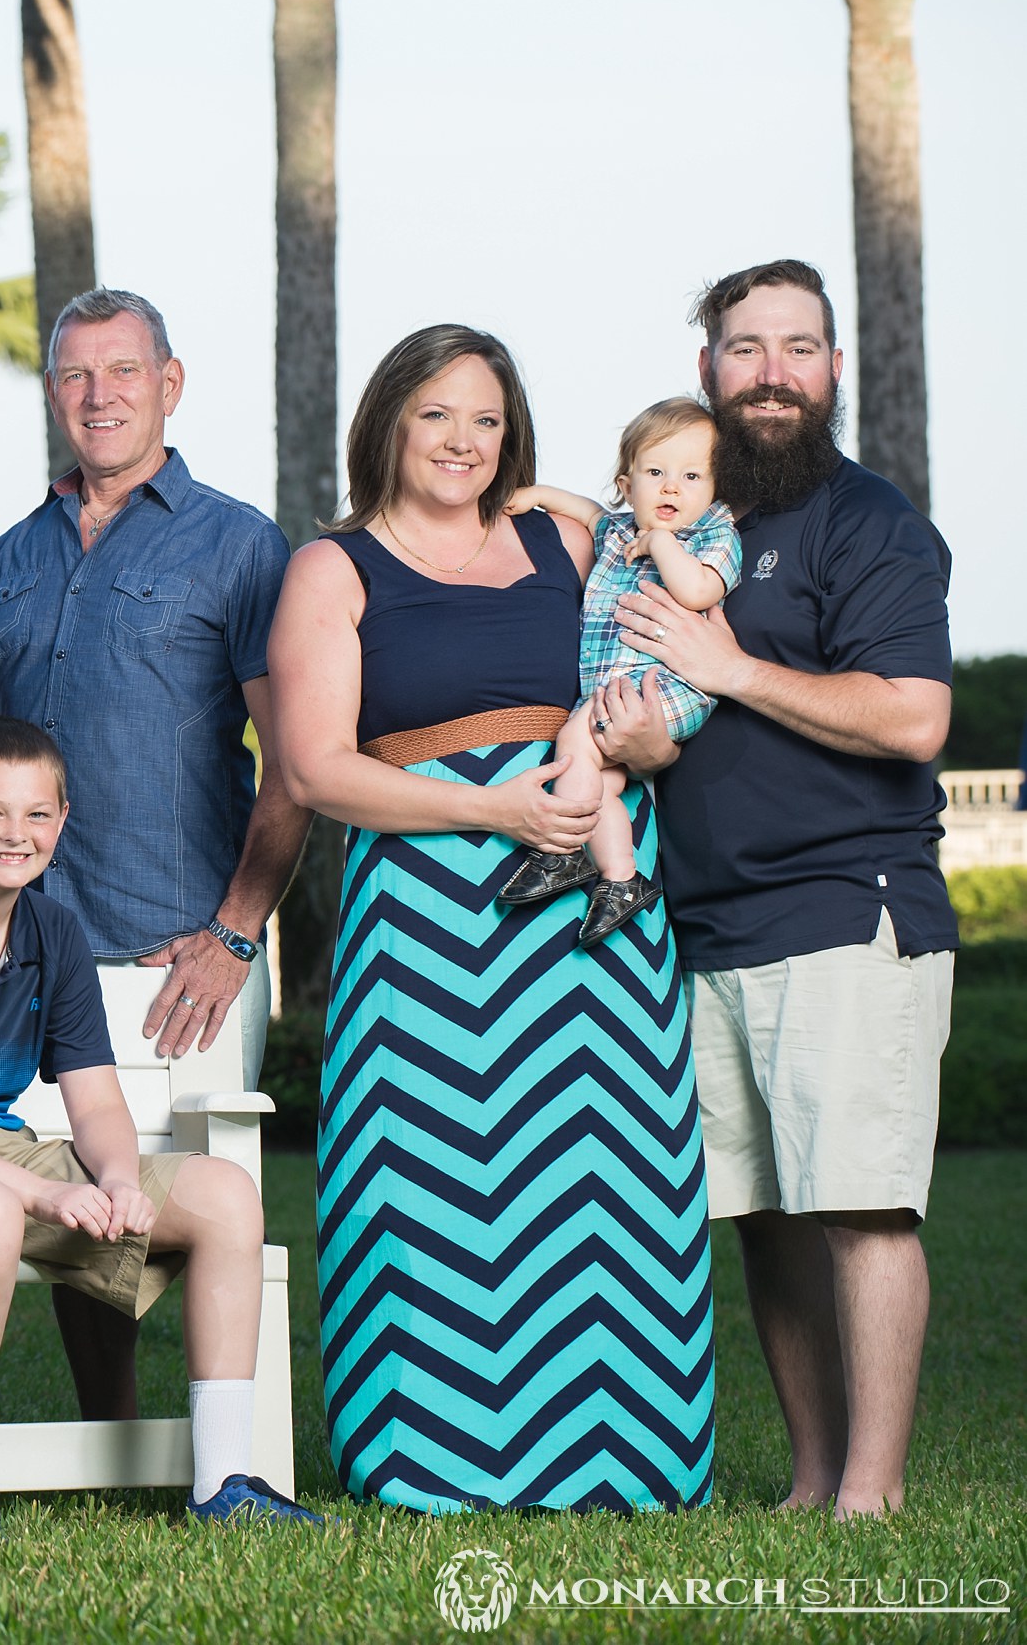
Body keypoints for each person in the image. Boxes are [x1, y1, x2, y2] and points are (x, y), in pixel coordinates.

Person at [270, 323, 715, 1513]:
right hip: (425, 909)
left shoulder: (565, 537)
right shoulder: (332, 568)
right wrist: (492, 810)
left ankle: (637, 1459)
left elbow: (658, 637)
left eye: (484, 416)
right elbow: (314, 770)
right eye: (435, 414)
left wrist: (637, 748)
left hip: (596, 887)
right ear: (386, 425)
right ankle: (435, 1461)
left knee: (616, 1171)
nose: (461, 439)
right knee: (423, 1176)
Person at [608, 260, 954, 1519]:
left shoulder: (868, 523)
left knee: (858, 1205)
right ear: (706, 371)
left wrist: (729, 664)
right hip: (702, 923)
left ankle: (872, 1491)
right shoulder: (687, 516)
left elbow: (912, 716)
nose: (770, 373)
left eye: (797, 349)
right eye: (744, 349)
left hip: (842, 909)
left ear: (832, 373)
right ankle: (812, 1482)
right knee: (758, 1212)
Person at [0, 717, 325, 1539]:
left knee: (225, 1196)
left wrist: (120, 1179)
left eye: (37, 815)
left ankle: (223, 1485)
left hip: (3, 1155)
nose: (15, 835)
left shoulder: (53, 930)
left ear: (63, 821)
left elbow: (95, 1100)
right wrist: (35, 1191)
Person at [0, 288, 310, 1419]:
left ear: (170, 382)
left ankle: (231, 1448)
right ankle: (109, 1428)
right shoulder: (7, 555)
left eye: (123, 370)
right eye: (75, 373)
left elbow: (294, 761)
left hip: (177, 951)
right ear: (53, 392)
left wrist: (234, 932)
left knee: (210, 1196)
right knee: (70, 1180)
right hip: (27, 945)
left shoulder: (238, 541)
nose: (98, 395)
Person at [501, 398, 742, 946]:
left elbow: (699, 590)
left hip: (666, 690)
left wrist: (660, 543)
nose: (671, 489)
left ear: (713, 487)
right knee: (601, 785)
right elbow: (586, 510)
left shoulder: (712, 537)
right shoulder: (615, 531)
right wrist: (538, 495)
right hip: (619, 692)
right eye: (655, 474)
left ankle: (560, 853)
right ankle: (620, 879)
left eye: (691, 476)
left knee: (574, 743)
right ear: (626, 483)